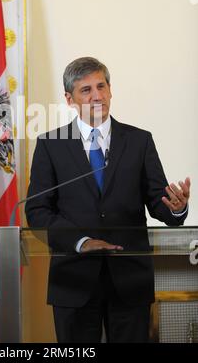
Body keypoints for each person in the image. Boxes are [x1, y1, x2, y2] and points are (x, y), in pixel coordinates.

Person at [25, 57, 190, 343]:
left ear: (111, 90)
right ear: (69, 98)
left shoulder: (140, 141)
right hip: (74, 282)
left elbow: (157, 201)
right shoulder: (50, 145)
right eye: (86, 90)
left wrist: (176, 208)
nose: (97, 95)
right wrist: (81, 241)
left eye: (101, 86)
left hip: (129, 282)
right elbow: (38, 210)